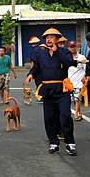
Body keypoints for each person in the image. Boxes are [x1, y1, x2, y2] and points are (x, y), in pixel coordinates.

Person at [25, 27, 77, 156]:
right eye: (47, 37)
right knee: (49, 118)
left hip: (62, 89)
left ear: (57, 39)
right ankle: (53, 142)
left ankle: (70, 143)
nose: (49, 39)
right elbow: (36, 67)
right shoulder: (40, 53)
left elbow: (70, 62)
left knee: (65, 116)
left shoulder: (64, 52)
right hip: (47, 89)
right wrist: (31, 74)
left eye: (52, 37)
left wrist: (56, 52)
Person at [67, 41, 87, 121]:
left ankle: (75, 115)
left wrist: (85, 77)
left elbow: (86, 68)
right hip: (70, 82)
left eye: (74, 46)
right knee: (73, 99)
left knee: (77, 98)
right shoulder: (67, 58)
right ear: (68, 48)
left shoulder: (82, 57)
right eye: (71, 47)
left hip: (79, 82)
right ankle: (80, 113)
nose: (72, 48)